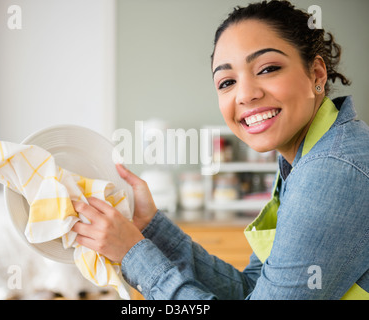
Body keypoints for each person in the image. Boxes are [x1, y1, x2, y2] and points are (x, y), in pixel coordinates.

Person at [72, 0, 369, 299]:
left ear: (316, 75)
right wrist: (151, 228)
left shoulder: (332, 170)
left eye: (267, 69)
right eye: (227, 82)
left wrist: (133, 254)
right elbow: (250, 290)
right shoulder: (305, 161)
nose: (246, 94)